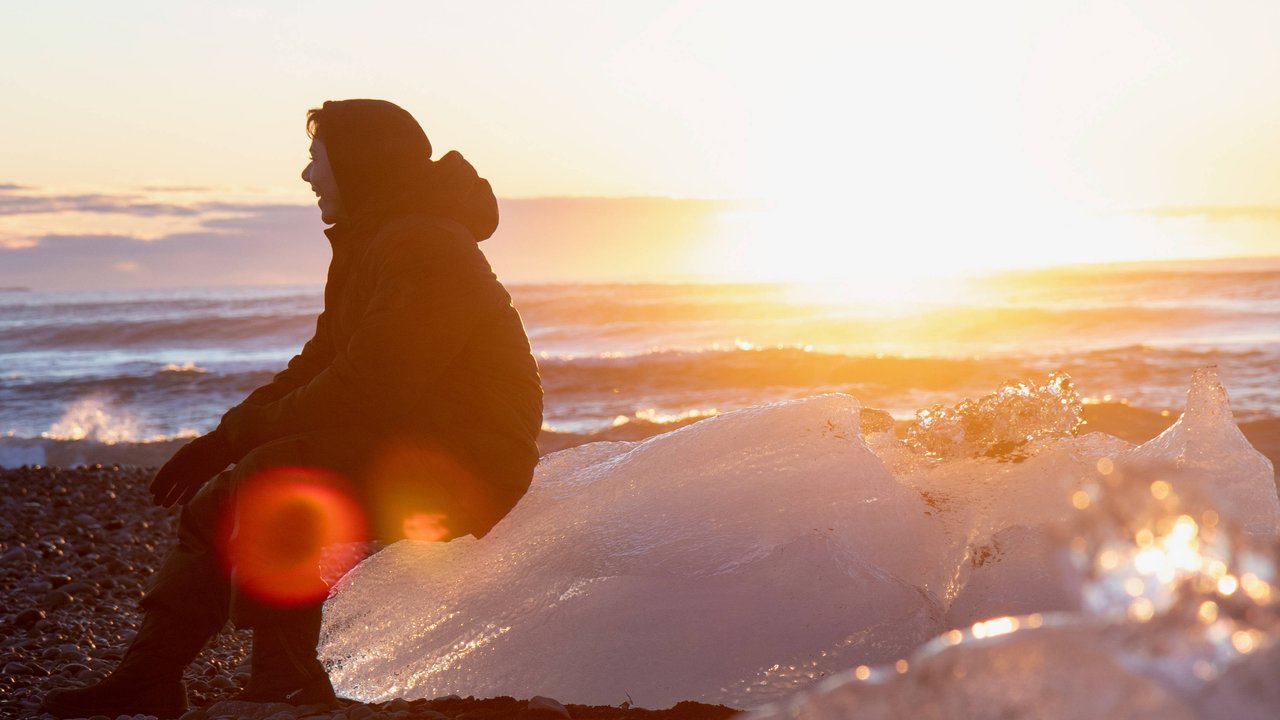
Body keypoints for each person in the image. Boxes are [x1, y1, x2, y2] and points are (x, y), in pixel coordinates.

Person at [42, 99, 544, 718]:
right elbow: (317, 367)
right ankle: (148, 677)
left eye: (317, 159)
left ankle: (285, 681)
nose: (308, 176)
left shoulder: (424, 245)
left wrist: (243, 442)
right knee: (216, 501)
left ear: (359, 165)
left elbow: (371, 386)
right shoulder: (375, 240)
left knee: (277, 477)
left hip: (469, 460)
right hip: (411, 441)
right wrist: (223, 439)